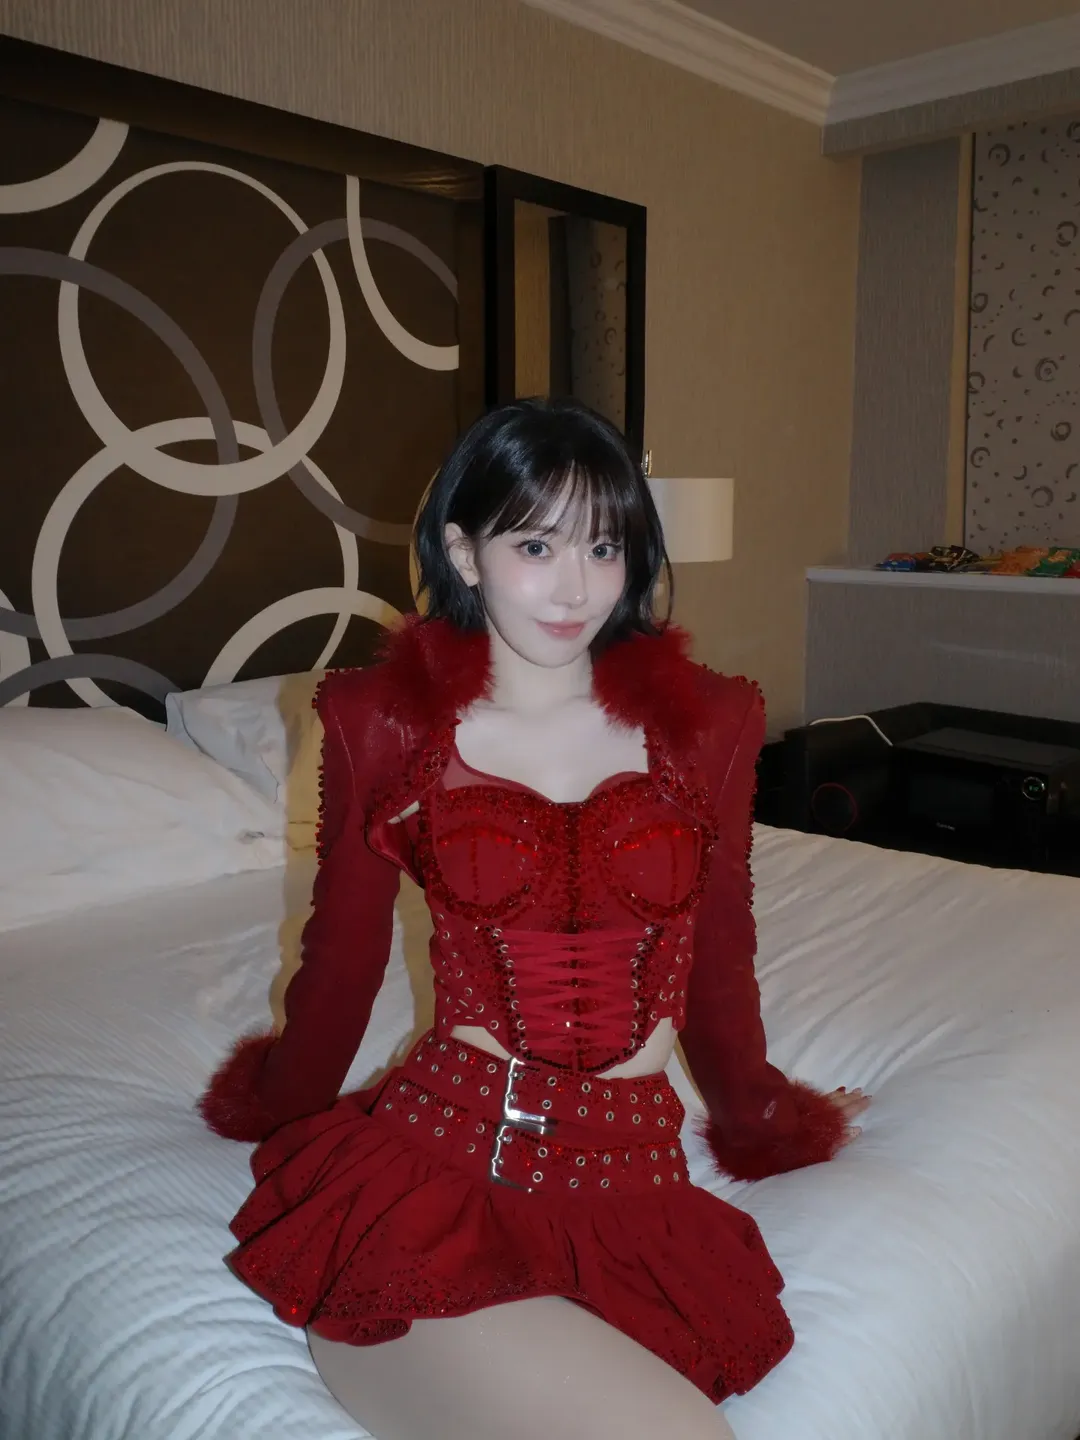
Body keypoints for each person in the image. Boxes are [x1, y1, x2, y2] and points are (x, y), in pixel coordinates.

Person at [199, 397, 869, 1440]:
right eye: (535, 545)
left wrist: (764, 1123)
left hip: (635, 1178)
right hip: (451, 1160)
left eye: (604, 546)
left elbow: (720, 957)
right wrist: (279, 1103)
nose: (575, 588)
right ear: (465, 553)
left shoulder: (711, 722)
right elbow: (341, 960)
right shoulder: (381, 722)